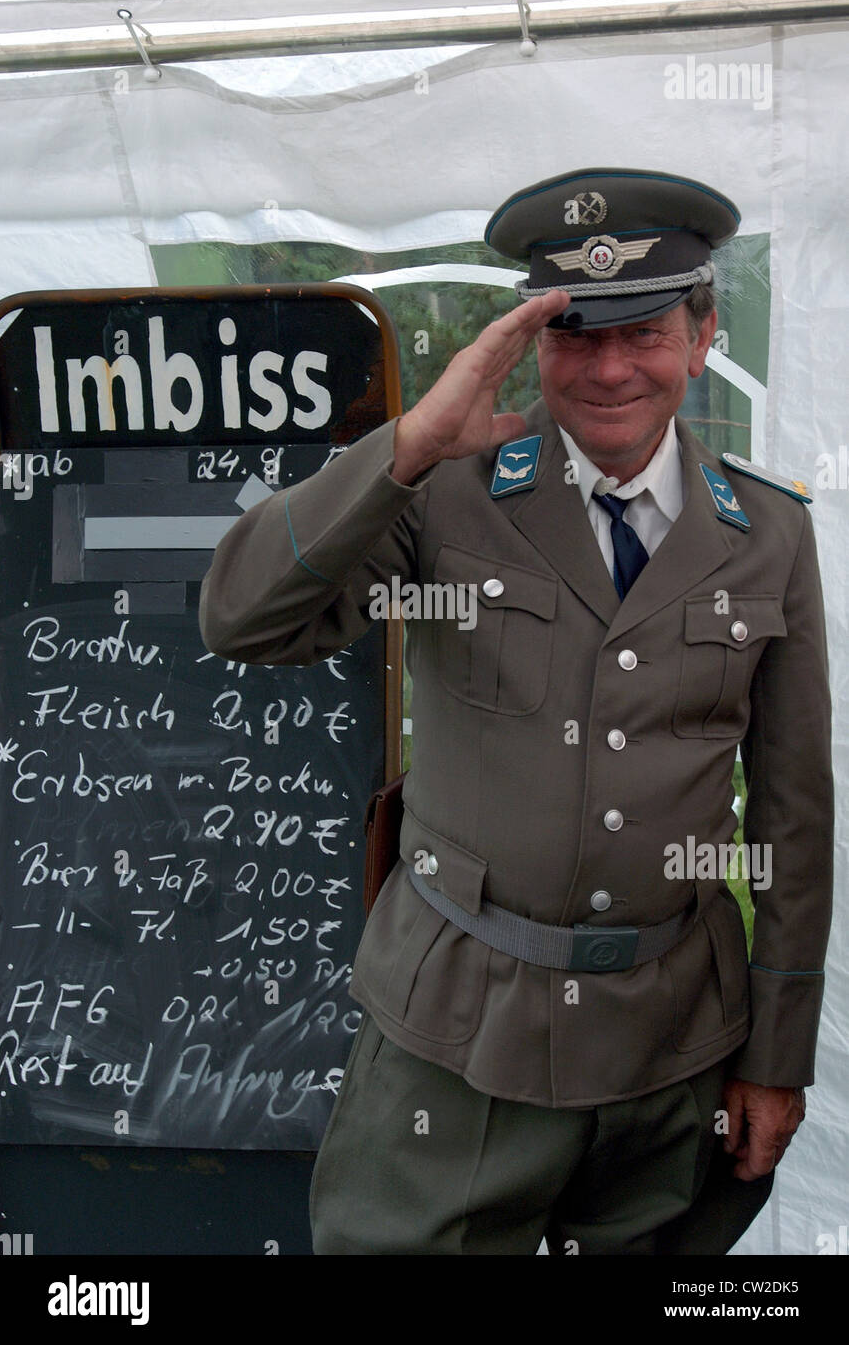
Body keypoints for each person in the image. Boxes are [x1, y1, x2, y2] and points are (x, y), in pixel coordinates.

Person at [199, 168, 833, 1255]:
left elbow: (791, 816)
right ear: (533, 344)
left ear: (699, 333)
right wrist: (405, 445)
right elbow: (243, 619)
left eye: (641, 331)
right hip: (455, 1036)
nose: (607, 368)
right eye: (572, 334)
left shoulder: (766, 533)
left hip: (669, 1044)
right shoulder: (440, 494)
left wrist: (775, 1055)